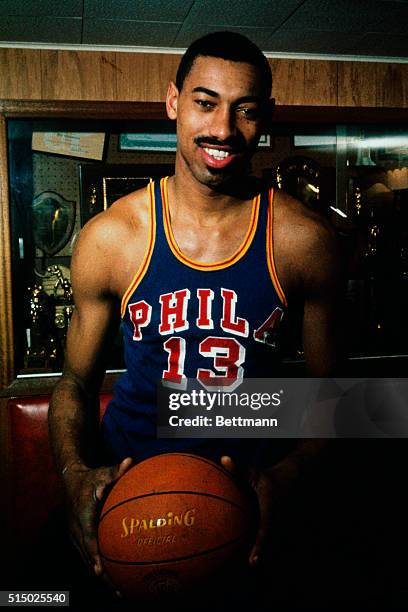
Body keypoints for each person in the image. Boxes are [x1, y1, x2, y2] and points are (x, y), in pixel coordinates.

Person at [48, 31, 343, 609]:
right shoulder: (112, 238)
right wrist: (74, 475)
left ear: (267, 118)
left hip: (251, 508)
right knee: (30, 595)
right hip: (127, 496)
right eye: (206, 103)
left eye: (246, 110)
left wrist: (286, 477)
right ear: (173, 103)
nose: (224, 130)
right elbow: (75, 385)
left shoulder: (305, 242)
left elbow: (338, 395)